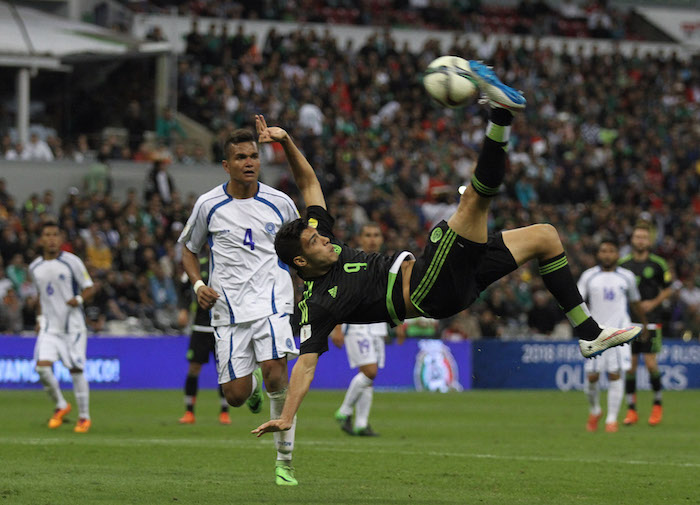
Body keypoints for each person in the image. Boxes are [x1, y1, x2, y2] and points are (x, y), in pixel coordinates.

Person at [252, 62, 641, 448]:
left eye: (318, 236)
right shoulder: (317, 303)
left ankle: (588, 334)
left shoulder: (320, 240)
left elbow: (309, 184)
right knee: (473, 200)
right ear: (301, 262)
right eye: (314, 243)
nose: (324, 241)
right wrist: (287, 416)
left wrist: (286, 142)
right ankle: (500, 114)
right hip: (426, 288)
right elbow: (305, 363)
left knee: (545, 236)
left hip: (448, 284)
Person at [178, 119, 302, 486]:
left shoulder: (280, 203)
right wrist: (198, 282)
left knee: (277, 377)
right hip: (228, 312)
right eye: (240, 157)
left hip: (273, 303)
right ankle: (250, 393)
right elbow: (188, 249)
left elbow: (300, 246)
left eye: (253, 156)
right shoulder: (209, 205)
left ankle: (285, 461)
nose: (249, 162)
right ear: (226, 165)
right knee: (234, 396)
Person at [29, 221, 95, 433]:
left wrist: (78, 299)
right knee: (41, 367)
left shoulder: (72, 262)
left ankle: (84, 417)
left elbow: (89, 287)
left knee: (76, 370)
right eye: (47, 235)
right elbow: (40, 296)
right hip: (50, 327)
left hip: (72, 327)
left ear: (60, 239)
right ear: (41, 240)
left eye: (55, 235)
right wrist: (39, 320)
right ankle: (61, 405)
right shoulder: (35, 267)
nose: (51, 239)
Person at [578, 238, 647, 433]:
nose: (607, 254)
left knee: (615, 374)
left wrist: (643, 324)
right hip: (595, 334)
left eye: (611, 250)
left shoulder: (627, 277)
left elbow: (635, 303)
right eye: (603, 250)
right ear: (598, 254)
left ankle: (611, 420)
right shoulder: (588, 276)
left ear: (617, 254)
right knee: (592, 376)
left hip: (618, 334)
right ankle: (595, 410)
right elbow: (578, 303)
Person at [331, 223, 386, 437]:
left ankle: (362, 423)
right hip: (356, 325)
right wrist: (337, 326)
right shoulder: (351, 262)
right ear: (360, 239)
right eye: (368, 235)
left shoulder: (387, 263)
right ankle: (344, 411)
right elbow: (338, 295)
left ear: (381, 238)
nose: (372, 239)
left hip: (378, 325)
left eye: (376, 235)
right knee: (369, 371)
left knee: (370, 379)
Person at [619, 221, 674, 426]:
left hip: (652, 322)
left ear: (649, 241)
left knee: (651, 363)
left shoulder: (658, 264)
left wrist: (653, 302)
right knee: (630, 367)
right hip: (629, 322)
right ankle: (631, 410)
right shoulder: (623, 265)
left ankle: (657, 405)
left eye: (644, 237)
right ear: (632, 240)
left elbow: (668, 288)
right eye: (637, 237)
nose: (640, 240)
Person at [177, 253, 231, 425]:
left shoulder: (228, 264)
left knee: (223, 370)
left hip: (222, 325)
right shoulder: (198, 265)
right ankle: (189, 412)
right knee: (194, 368)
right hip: (200, 326)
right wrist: (183, 309)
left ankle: (224, 412)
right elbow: (184, 288)